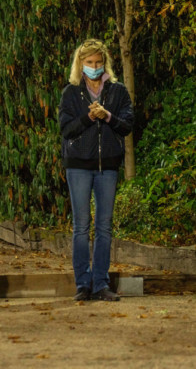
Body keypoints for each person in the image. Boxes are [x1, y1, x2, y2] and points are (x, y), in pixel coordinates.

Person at [59, 39, 134, 301]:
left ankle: (100, 283)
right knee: (81, 226)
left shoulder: (118, 91)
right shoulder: (71, 92)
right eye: (89, 62)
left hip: (108, 167)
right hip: (78, 166)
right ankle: (83, 284)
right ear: (80, 64)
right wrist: (89, 117)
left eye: (98, 62)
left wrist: (107, 115)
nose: (94, 67)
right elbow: (66, 130)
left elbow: (126, 126)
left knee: (104, 227)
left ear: (105, 64)